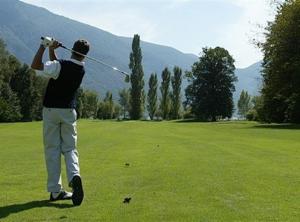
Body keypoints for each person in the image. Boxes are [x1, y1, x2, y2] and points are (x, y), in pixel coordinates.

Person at [31, 37, 90, 206]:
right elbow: (57, 68)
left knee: (52, 150)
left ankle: (55, 191)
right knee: (70, 148)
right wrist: (52, 50)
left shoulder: (62, 65)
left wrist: (43, 46)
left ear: (72, 49)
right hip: (68, 112)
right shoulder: (81, 68)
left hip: (51, 111)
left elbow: (36, 66)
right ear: (84, 55)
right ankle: (74, 175)